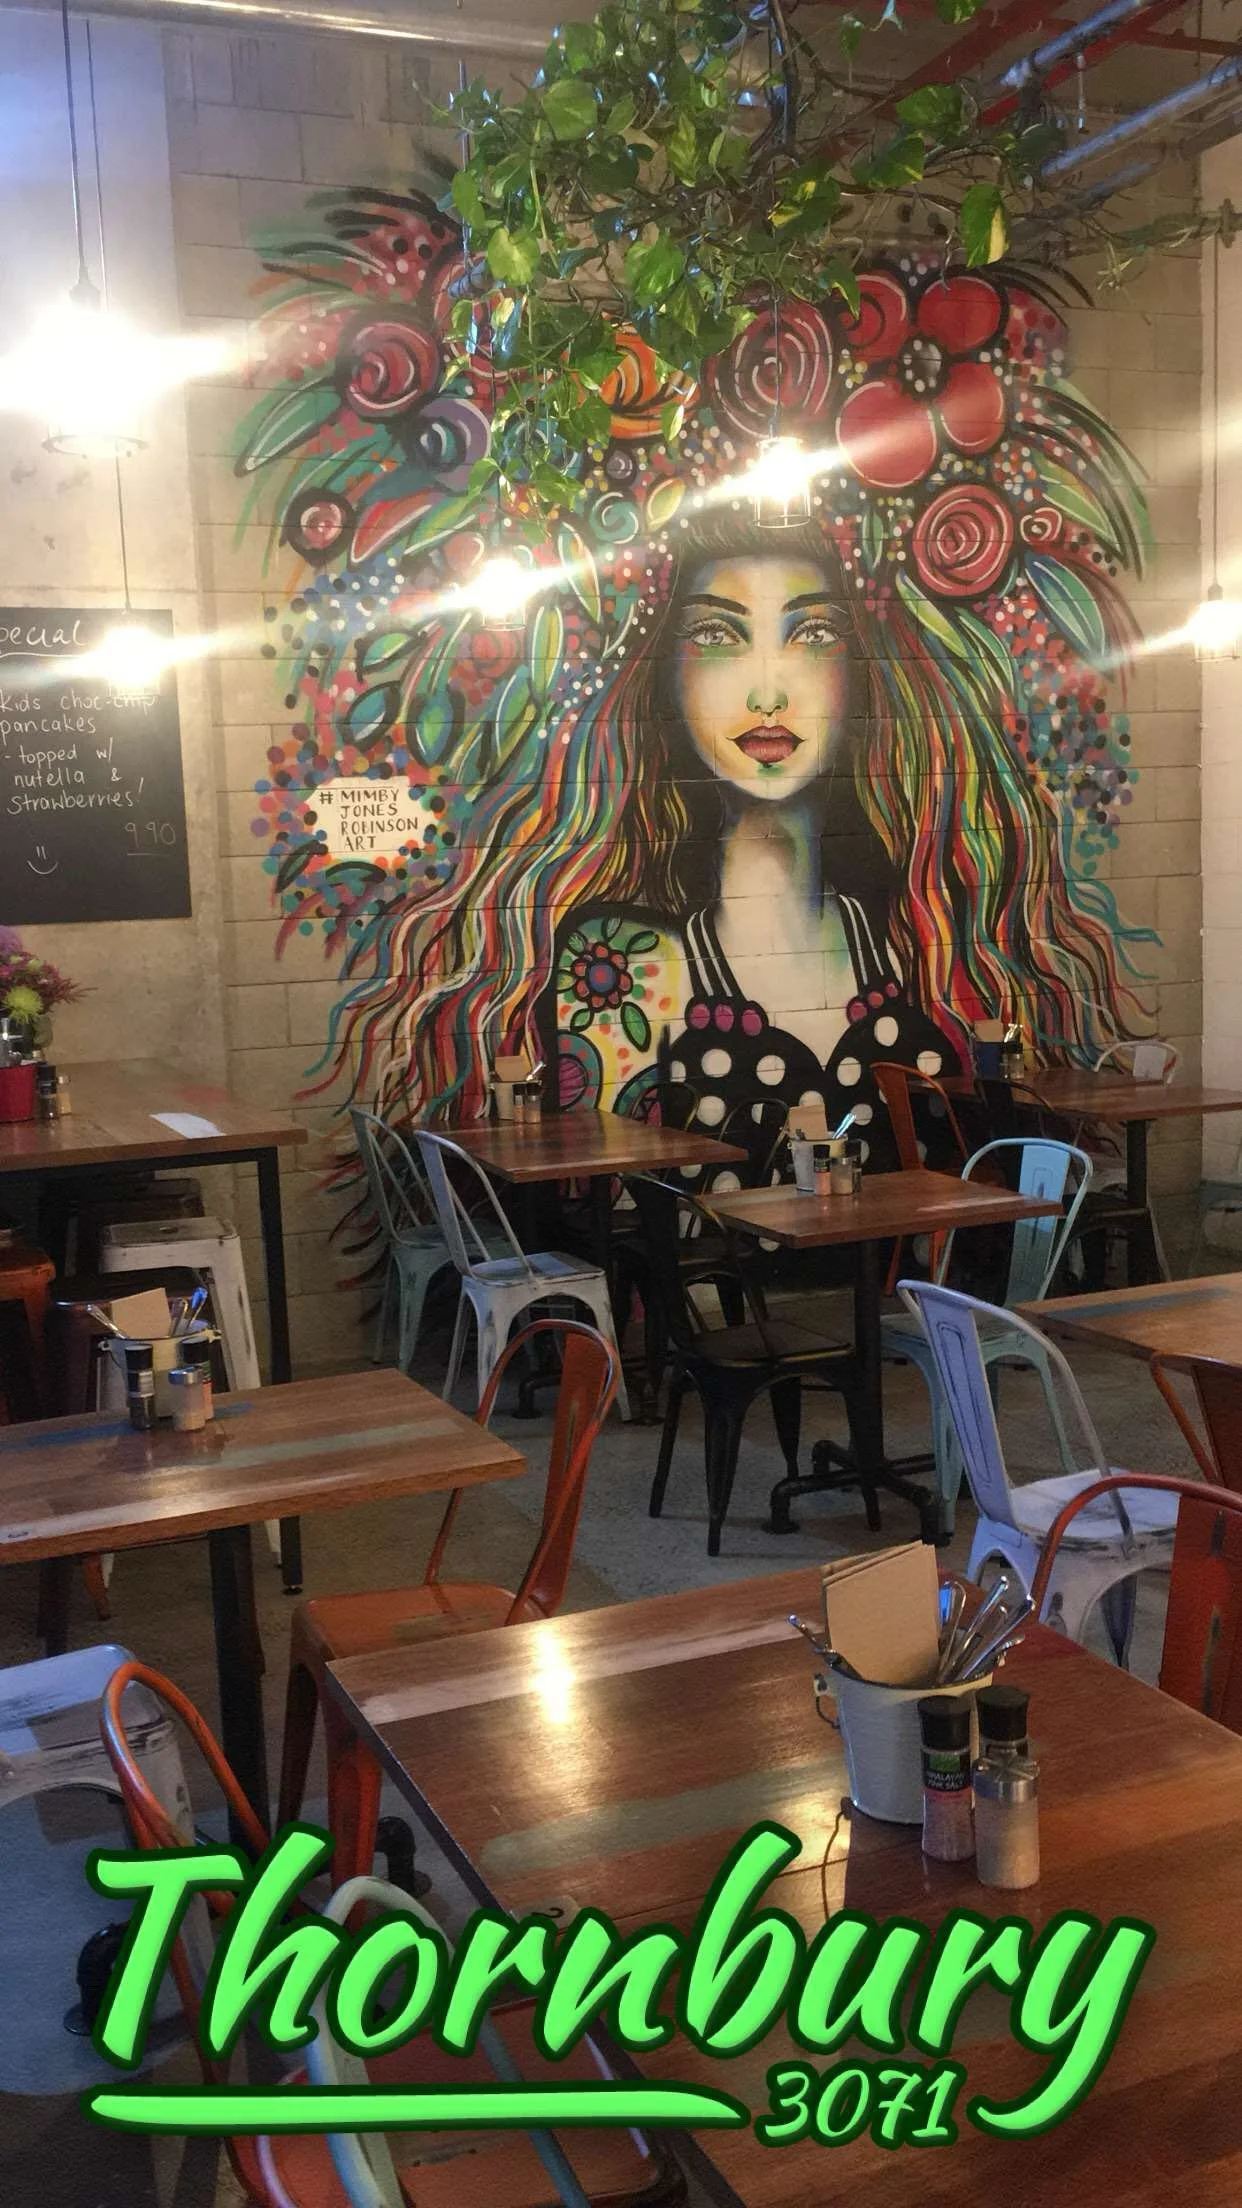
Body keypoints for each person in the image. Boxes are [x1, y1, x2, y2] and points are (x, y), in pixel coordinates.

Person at [238, 189, 1155, 1145]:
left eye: (810, 634)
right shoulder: (622, 963)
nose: (767, 689)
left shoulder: (922, 938)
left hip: (879, 1288)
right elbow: (610, 1192)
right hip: (708, 1296)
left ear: (866, 677)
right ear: (664, 684)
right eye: (719, 637)